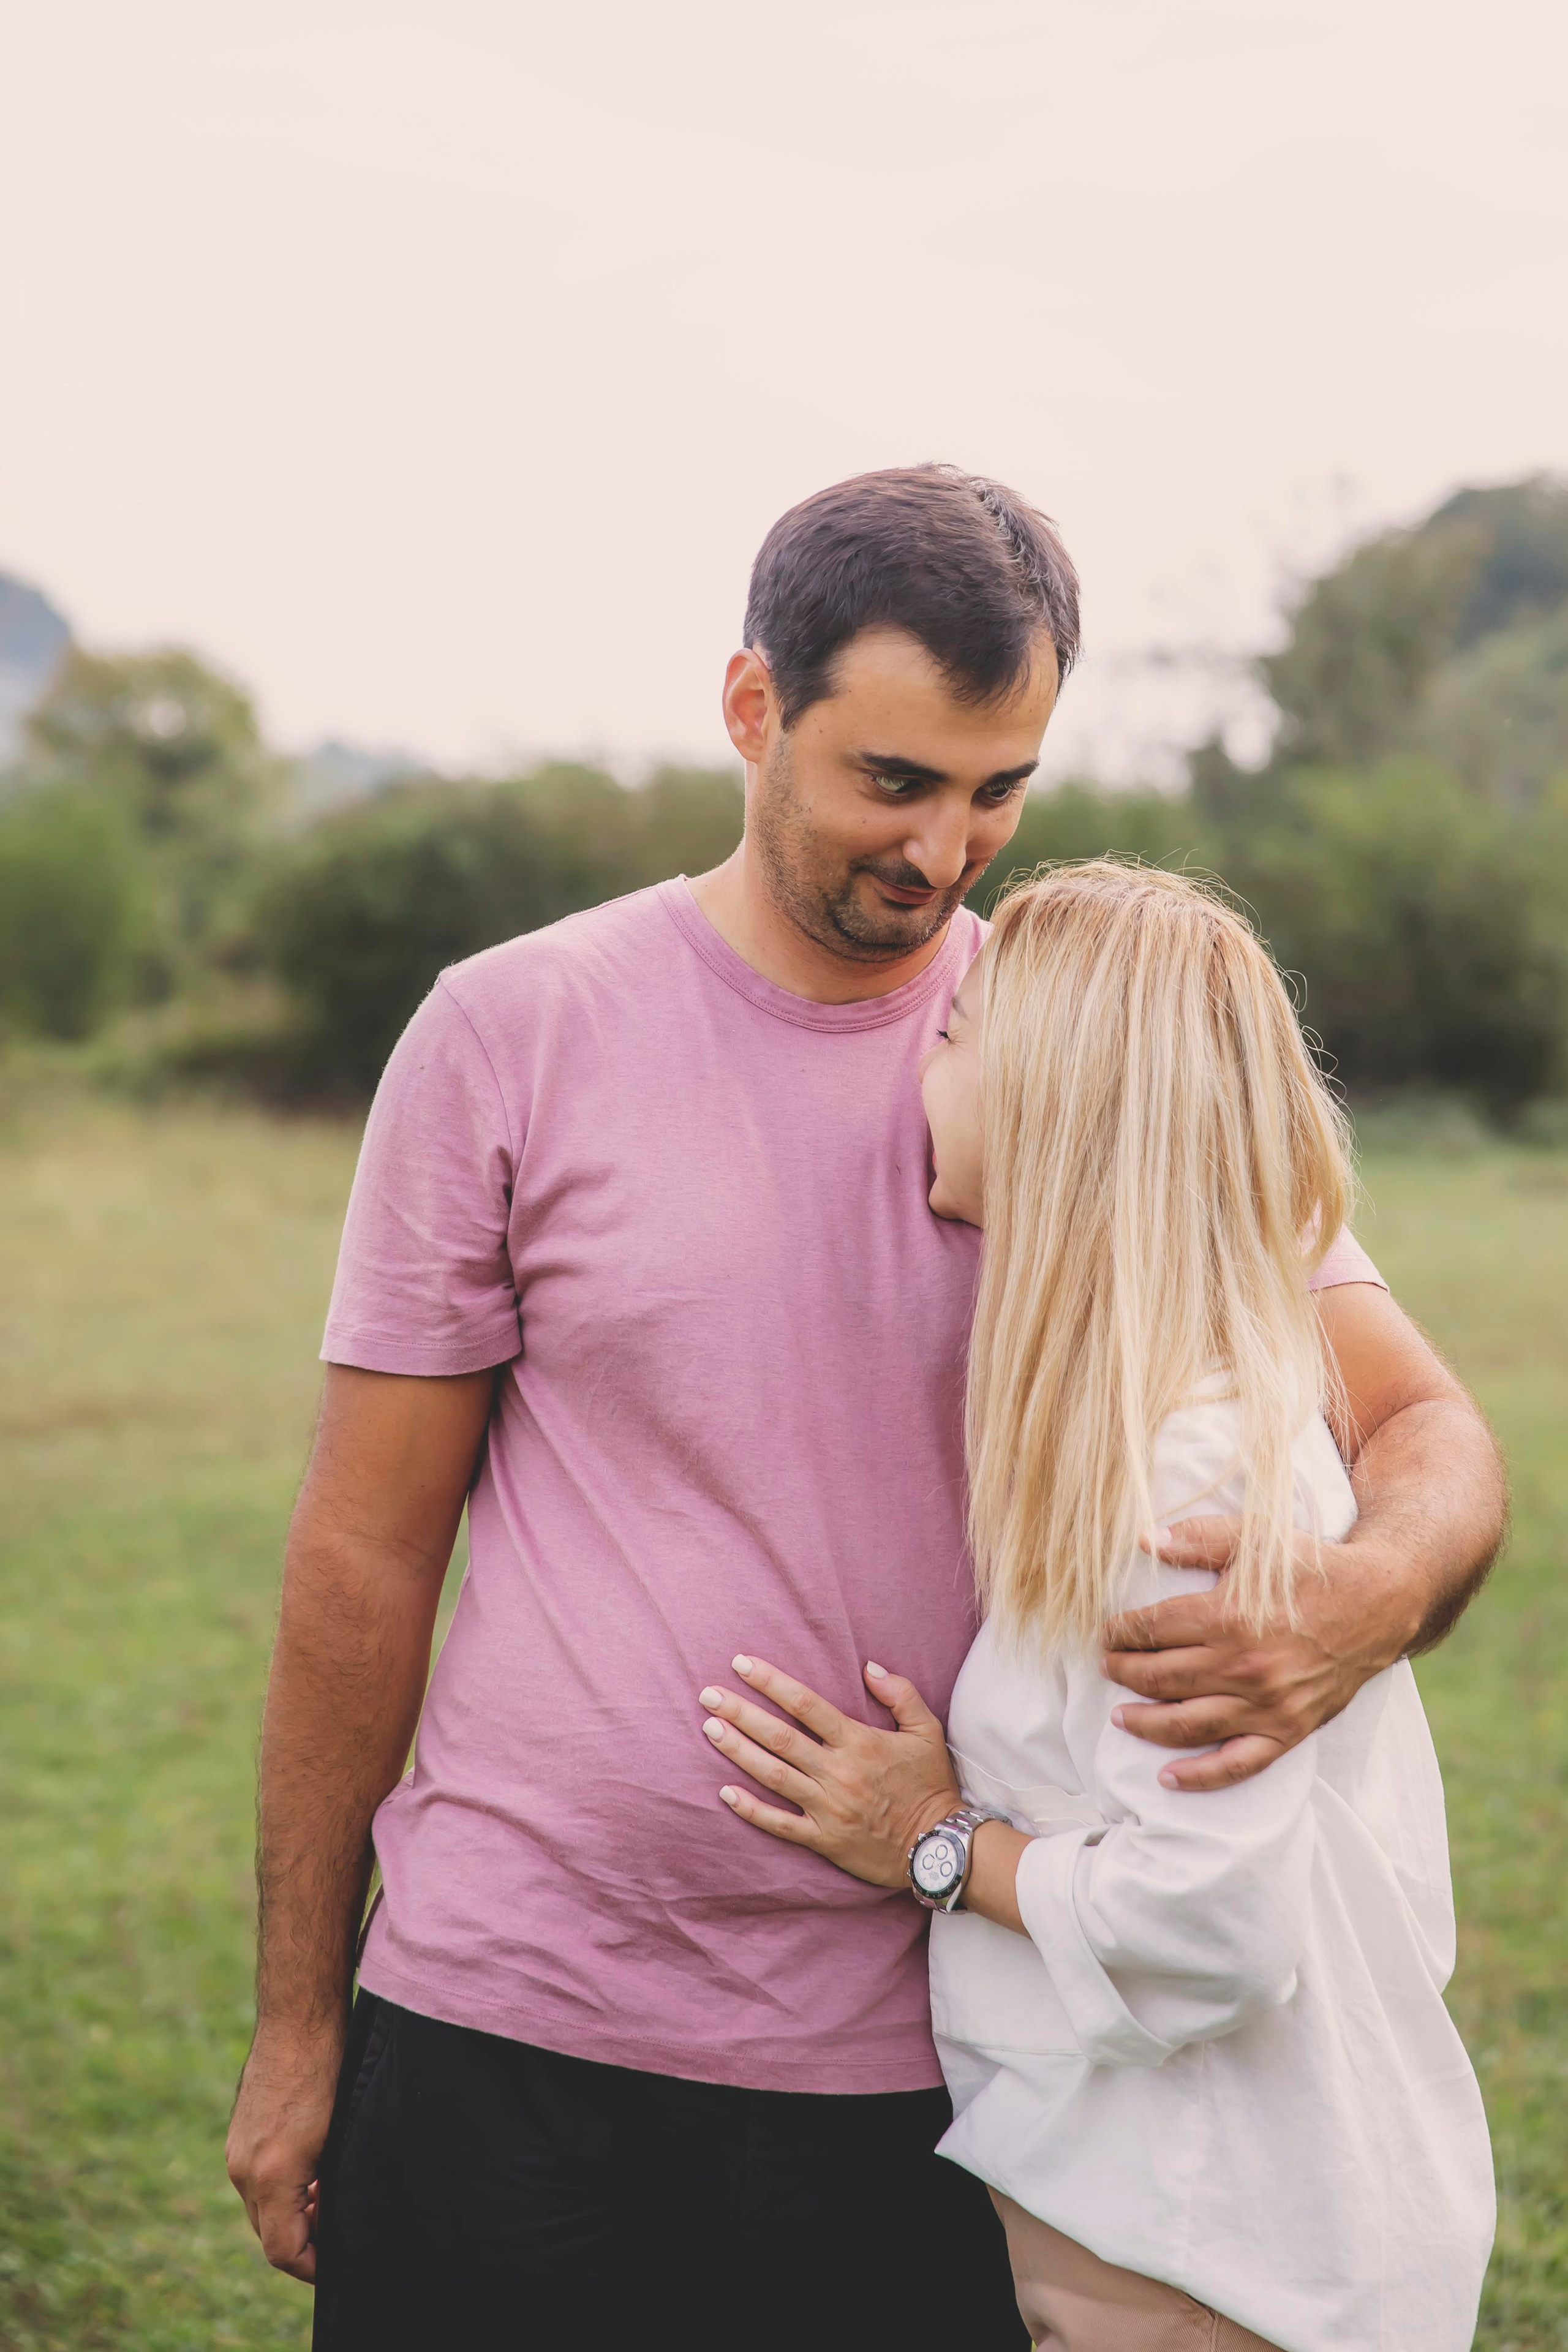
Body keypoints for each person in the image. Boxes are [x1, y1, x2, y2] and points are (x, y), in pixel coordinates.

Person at [225, 467, 1505, 2350]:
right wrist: (297, 2020)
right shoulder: (510, 1031)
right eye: (892, 782)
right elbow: (362, 1553)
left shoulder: (1082, 1063)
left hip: (924, 2068)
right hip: (508, 2018)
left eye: (1001, 791)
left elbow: (1428, 1435)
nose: (945, 853)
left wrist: (1364, 1603)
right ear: (754, 711)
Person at [699, 862, 1494, 2350]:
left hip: (1223, 2267)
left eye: (953, 1040)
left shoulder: (1180, 1476)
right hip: (1191, 2242)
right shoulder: (1153, 1431)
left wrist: (932, 1843)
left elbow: (1206, 1924)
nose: (921, 1073)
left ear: (1053, 1101)